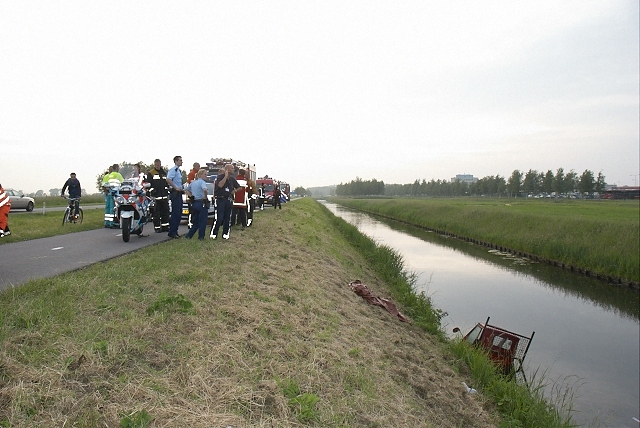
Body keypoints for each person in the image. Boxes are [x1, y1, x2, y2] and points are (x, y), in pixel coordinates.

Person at [209, 163, 239, 240]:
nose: (233, 170)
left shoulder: (232, 179)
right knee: (219, 217)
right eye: (232, 168)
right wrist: (225, 176)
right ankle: (214, 233)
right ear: (227, 169)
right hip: (220, 199)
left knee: (227, 218)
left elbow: (239, 187)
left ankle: (225, 234)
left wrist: (234, 191)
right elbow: (220, 185)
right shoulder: (220, 177)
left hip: (228, 199)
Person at [184, 168, 209, 240]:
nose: (206, 176)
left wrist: (191, 196)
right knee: (203, 221)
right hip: (201, 202)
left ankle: (189, 236)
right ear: (200, 175)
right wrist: (205, 196)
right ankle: (201, 237)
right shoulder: (202, 182)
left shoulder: (193, 182)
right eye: (205, 174)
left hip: (195, 203)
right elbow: (204, 189)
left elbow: (186, 190)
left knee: (196, 222)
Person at [147, 159, 170, 233]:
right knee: (156, 213)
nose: (158, 165)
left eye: (159, 164)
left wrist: (167, 191)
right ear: (154, 164)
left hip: (164, 196)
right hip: (156, 197)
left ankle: (165, 226)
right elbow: (148, 185)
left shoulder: (164, 173)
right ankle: (157, 227)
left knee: (165, 212)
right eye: (156, 164)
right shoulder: (151, 173)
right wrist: (153, 192)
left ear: (160, 164)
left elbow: (166, 184)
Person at [166, 155, 184, 239]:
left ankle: (175, 230)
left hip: (179, 193)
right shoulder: (173, 170)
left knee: (179, 212)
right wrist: (175, 187)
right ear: (176, 161)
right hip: (175, 193)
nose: (181, 162)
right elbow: (168, 179)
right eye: (180, 160)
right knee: (176, 212)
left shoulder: (178, 170)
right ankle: (172, 231)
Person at [102, 164, 124, 228]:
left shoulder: (108, 176)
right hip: (115, 193)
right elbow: (123, 182)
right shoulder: (118, 175)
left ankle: (107, 223)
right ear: (117, 168)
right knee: (113, 208)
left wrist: (106, 191)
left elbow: (104, 185)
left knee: (108, 208)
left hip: (108, 193)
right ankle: (112, 223)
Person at [186, 162, 201, 228]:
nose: (199, 168)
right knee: (192, 209)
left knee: (196, 210)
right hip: (192, 194)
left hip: (197, 194)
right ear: (194, 166)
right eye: (198, 166)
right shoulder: (192, 173)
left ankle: (195, 222)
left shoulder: (198, 174)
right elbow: (189, 183)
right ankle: (190, 223)